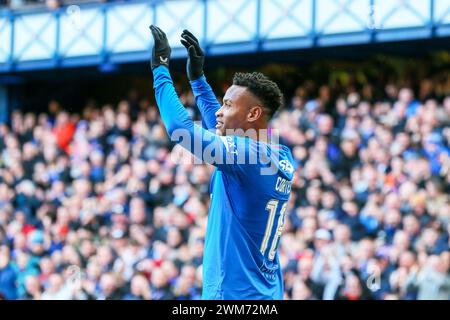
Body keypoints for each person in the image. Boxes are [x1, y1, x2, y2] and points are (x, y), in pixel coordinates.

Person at [149, 26, 295, 299]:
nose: (219, 110)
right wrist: (197, 79)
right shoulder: (278, 153)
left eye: (228, 105)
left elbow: (180, 129)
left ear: (253, 113)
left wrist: (160, 69)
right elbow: (218, 127)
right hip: (264, 293)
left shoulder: (248, 155)